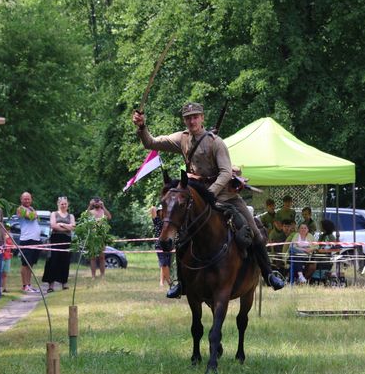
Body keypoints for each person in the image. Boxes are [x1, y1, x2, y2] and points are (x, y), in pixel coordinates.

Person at [132, 102, 284, 298]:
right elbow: (150, 143)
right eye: (188, 118)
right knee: (182, 238)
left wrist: (210, 192)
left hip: (225, 195)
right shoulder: (182, 139)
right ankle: (181, 283)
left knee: (253, 231)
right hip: (197, 199)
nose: (192, 121)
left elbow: (225, 172)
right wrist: (142, 127)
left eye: (195, 117)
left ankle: (269, 274)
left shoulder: (216, 142)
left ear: (202, 118)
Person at [42, 196, 75, 292]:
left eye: (65, 204)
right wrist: (66, 227)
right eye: (62, 204)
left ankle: (64, 283)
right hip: (55, 239)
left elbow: (73, 227)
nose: (64, 205)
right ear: (58, 204)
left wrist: (62, 224)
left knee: (65, 261)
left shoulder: (71, 216)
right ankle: (51, 285)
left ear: (67, 204)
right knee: (53, 261)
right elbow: (53, 226)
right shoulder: (54, 214)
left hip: (67, 240)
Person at [16, 192, 41, 293]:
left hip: (35, 239)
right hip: (26, 239)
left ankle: (29, 285)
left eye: (28, 199)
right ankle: (24, 285)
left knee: (31, 264)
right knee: (25, 263)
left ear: (31, 199)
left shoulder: (31, 208)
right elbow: (32, 217)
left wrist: (33, 213)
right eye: (25, 199)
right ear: (21, 200)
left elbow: (34, 215)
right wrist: (34, 214)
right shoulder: (20, 209)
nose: (27, 200)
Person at [87, 196, 112, 279]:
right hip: (92, 236)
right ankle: (93, 276)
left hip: (102, 236)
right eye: (95, 201)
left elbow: (109, 217)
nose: (97, 203)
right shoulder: (91, 211)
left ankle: (102, 275)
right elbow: (85, 217)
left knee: (102, 257)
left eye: (98, 201)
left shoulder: (103, 211)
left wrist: (103, 206)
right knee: (93, 257)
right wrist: (90, 205)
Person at [151, 206, 171, 287]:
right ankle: (170, 282)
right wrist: (160, 207)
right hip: (159, 245)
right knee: (164, 264)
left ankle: (161, 282)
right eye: (160, 211)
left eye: (164, 211)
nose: (162, 212)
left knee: (166, 265)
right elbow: (152, 208)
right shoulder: (156, 220)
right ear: (158, 212)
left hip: (168, 245)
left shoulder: (168, 221)